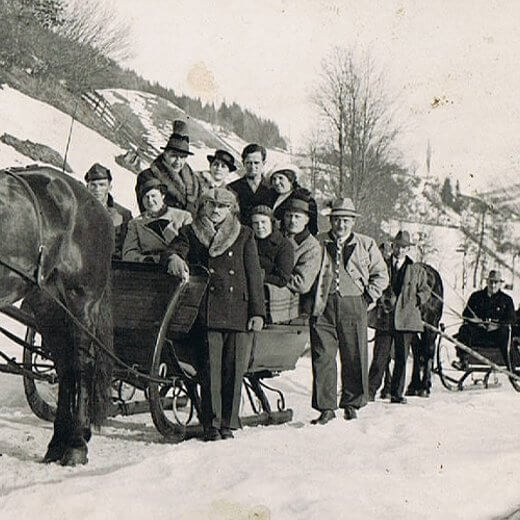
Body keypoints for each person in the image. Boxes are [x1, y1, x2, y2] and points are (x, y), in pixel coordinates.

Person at [166, 188, 265, 442]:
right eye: (212, 205)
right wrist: (174, 258)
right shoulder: (192, 231)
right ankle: (211, 424)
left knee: (234, 369)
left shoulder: (244, 234)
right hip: (207, 309)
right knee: (210, 369)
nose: (216, 211)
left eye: (222, 206)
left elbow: (253, 275)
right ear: (205, 207)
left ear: (230, 209)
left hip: (238, 310)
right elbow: (173, 249)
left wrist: (257, 312)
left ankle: (229, 424)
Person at [308, 198, 388, 424]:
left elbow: (381, 275)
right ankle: (326, 407)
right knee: (323, 355)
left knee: (354, 354)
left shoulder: (366, 244)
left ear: (352, 222)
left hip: (354, 304)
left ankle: (352, 403)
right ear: (330, 220)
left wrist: (367, 297)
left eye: (345, 220)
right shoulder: (319, 241)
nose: (340, 225)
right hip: (323, 305)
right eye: (336, 220)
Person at [367, 231, 431, 403]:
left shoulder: (416, 270)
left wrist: (417, 299)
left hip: (406, 320)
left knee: (401, 359)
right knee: (380, 357)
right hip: (385, 319)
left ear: (407, 249)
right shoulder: (382, 266)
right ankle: (369, 391)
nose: (400, 250)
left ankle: (396, 394)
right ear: (393, 246)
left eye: (404, 248)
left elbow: (426, 291)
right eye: (398, 246)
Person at [135, 119, 202, 216]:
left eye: (183, 157)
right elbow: (150, 210)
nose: (178, 161)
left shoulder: (194, 181)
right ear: (165, 154)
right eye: (174, 156)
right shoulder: (148, 176)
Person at [455, 269, 515, 368]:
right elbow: (466, 314)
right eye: (491, 282)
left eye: (496, 282)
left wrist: (497, 325)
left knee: (506, 333)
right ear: (487, 282)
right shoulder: (476, 297)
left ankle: (510, 366)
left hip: (497, 334)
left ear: (500, 284)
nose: (493, 285)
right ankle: (463, 360)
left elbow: (511, 318)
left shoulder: (506, 300)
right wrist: (476, 321)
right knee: (464, 329)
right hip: (480, 331)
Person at [123, 177, 192, 263]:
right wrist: (146, 260)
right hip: (151, 268)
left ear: (162, 196)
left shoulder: (183, 217)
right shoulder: (136, 224)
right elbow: (128, 253)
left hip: (179, 266)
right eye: (146, 197)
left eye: (153, 196)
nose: (150, 201)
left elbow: (191, 247)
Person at [84, 163, 132, 259]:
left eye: (102, 185)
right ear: (87, 187)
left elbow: (127, 247)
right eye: (93, 185)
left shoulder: (123, 214)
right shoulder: (77, 211)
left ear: (109, 187)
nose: (97, 189)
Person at [228, 143, 275, 225]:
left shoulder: (272, 188)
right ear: (243, 163)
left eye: (256, 163)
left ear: (263, 163)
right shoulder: (232, 188)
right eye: (249, 163)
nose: (252, 167)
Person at [250, 205, 294, 287]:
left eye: (263, 222)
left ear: (271, 223)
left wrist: (260, 276)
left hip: (270, 292)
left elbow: (283, 279)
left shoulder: (284, 245)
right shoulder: (249, 242)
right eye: (256, 223)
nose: (260, 227)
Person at [270, 164, 318, 235]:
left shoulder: (303, 197)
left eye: (280, 178)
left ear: (290, 180)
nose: (277, 182)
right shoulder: (271, 196)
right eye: (274, 179)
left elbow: (312, 227)